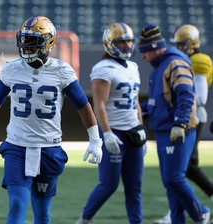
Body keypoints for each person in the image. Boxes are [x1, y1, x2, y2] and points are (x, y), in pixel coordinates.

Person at [0, 15, 103, 224]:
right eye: (24, 40)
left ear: (49, 43)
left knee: (43, 214)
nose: (26, 46)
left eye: (33, 41)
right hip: (17, 146)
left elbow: (83, 106)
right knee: (17, 205)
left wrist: (95, 140)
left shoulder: (61, 71)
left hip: (48, 148)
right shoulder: (12, 69)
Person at [75, 22, 146, 224]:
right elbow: (99, 106)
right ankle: (84, 219)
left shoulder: (133, 66)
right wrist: (106, 133)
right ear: (109, 44)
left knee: (135, 186)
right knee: (109, 184)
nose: (126, 46)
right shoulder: (103, 69)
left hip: (134, 133)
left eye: (128, 42)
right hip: (115, 133)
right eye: (121, 42)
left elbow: (135, 102)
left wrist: (141, 126)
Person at [139, 24, 210, 224]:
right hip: (163, 130)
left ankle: (200, 213)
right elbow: (157, 103)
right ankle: (178, 220)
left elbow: (187, 96)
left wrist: (180, 124)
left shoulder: (175, 63)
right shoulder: (158, 68)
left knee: (174, 178)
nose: (143, 57)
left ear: (154, 47)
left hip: (177, 130)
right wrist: (135, 109)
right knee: (170, 183)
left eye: (145, 52)